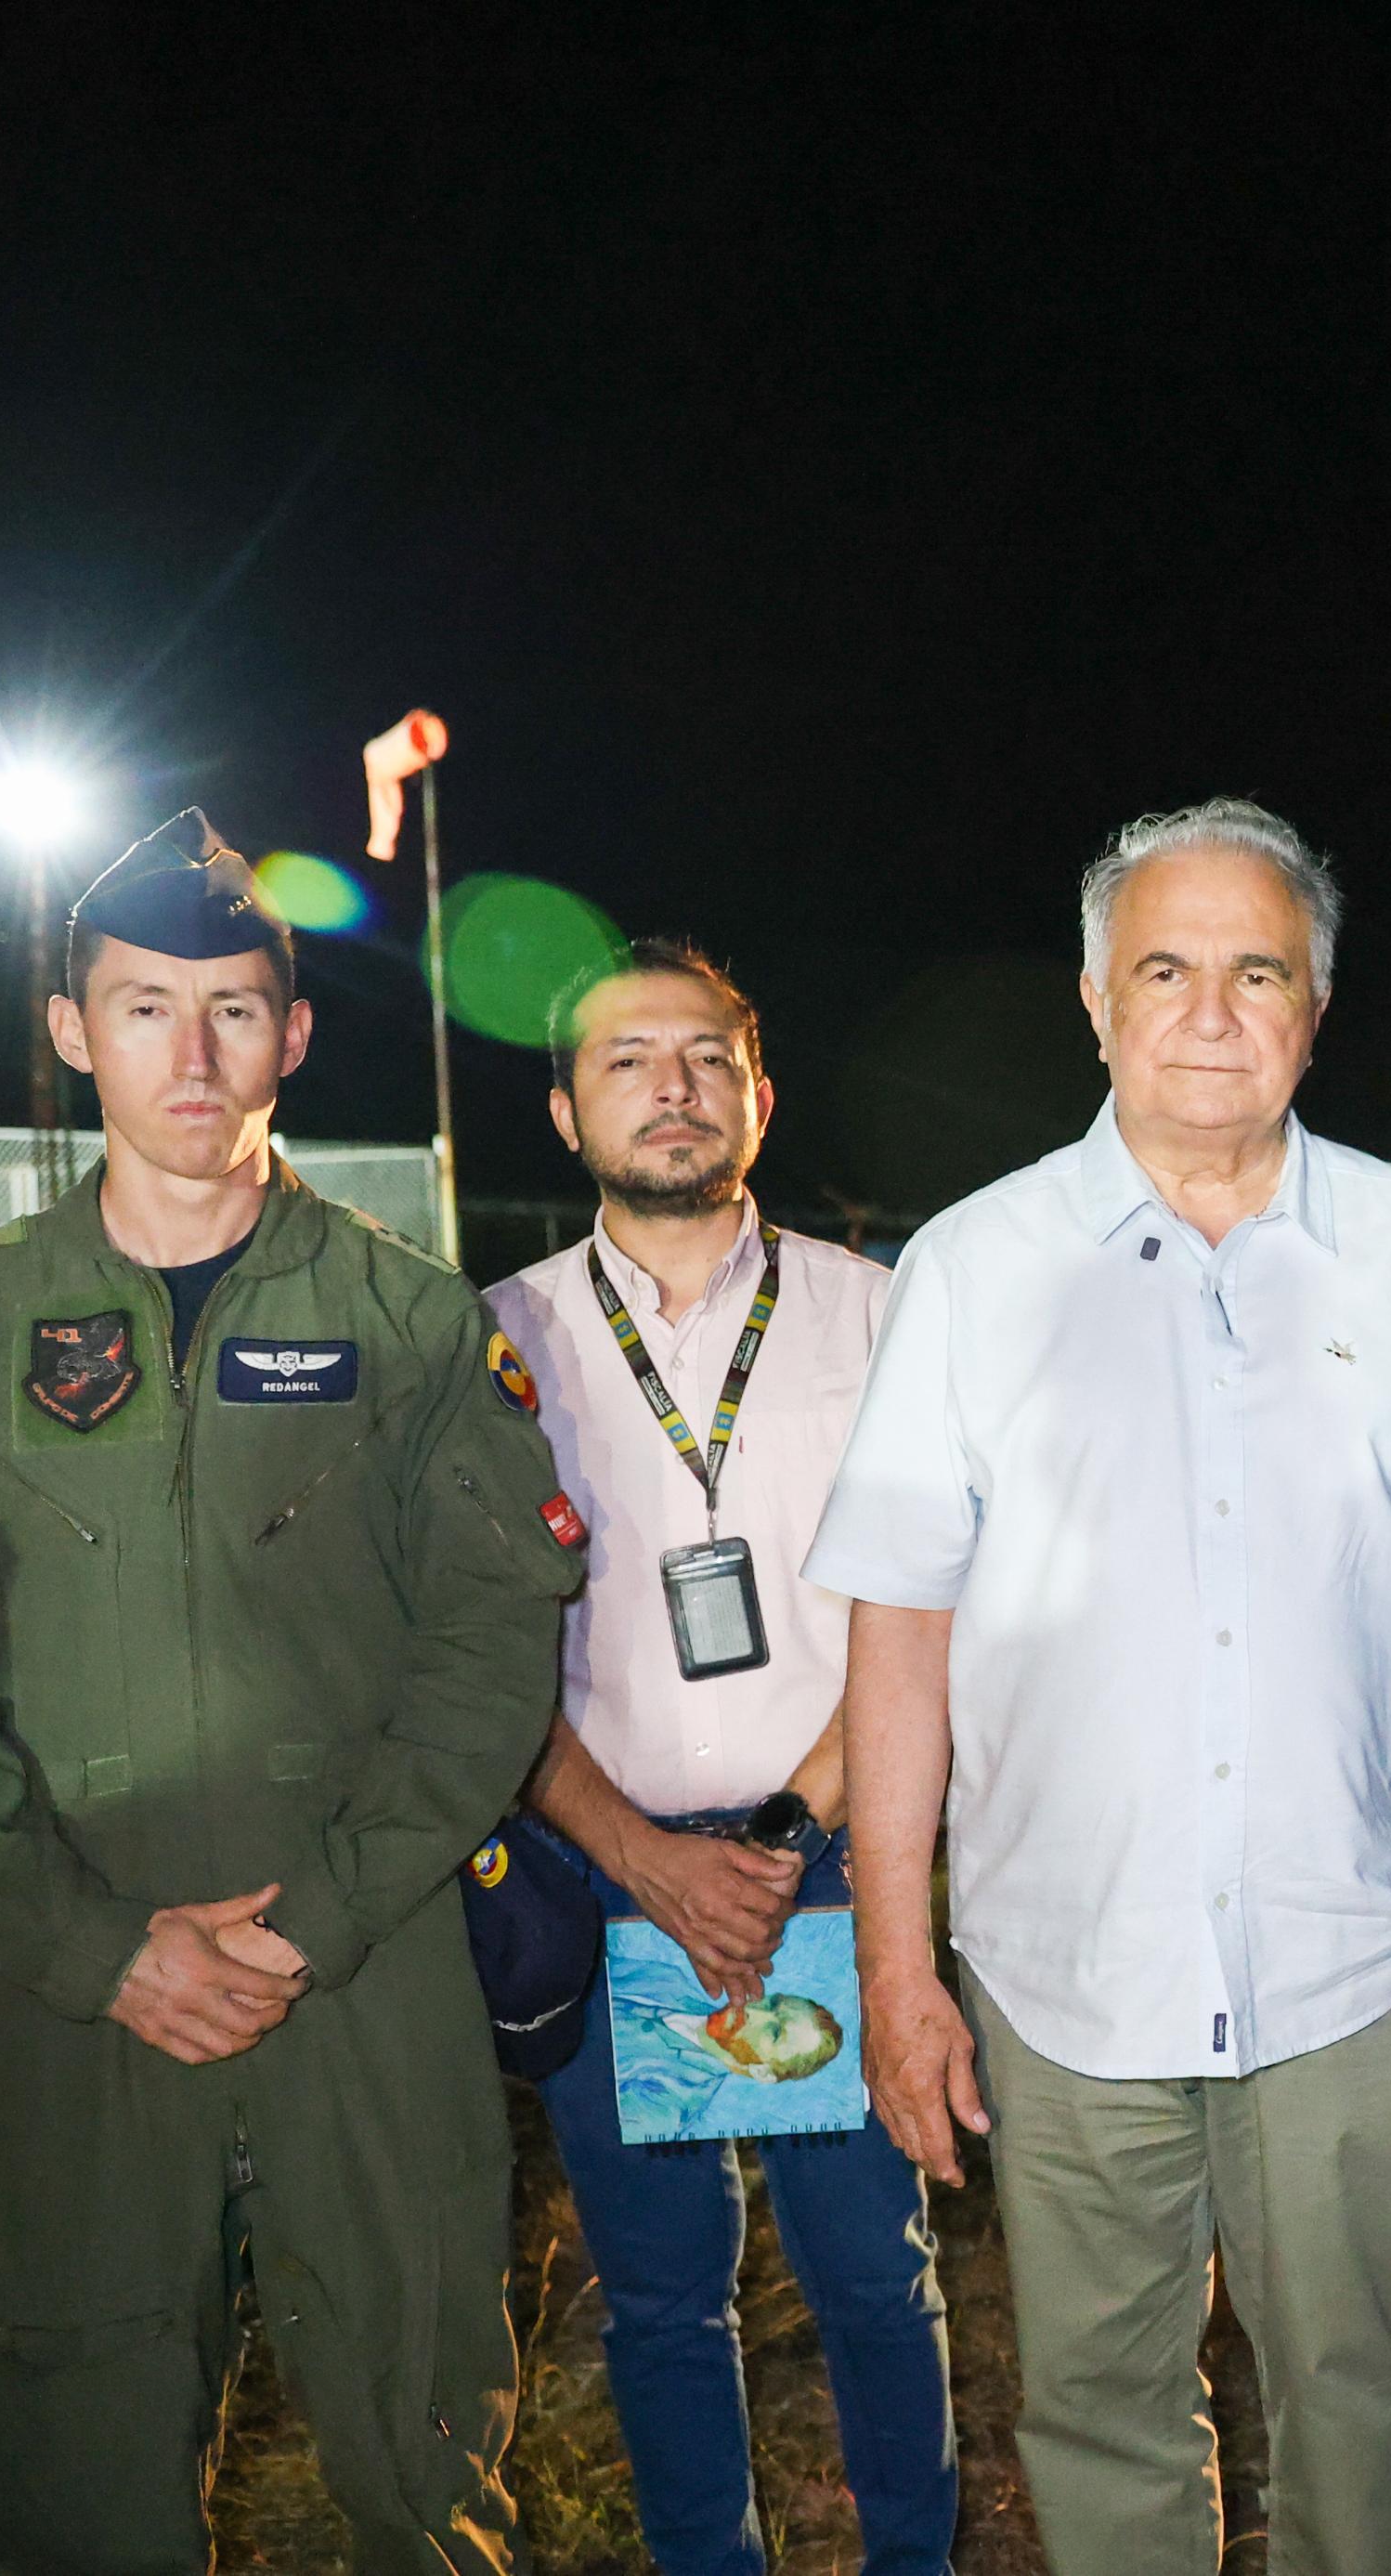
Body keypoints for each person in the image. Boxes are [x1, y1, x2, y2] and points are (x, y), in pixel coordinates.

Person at [0, 810, 585, 2574]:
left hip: (364, 1969)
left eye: (234, 1007)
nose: (192, 1049)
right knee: (85, 2461)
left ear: (292, 1038)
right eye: (144, 1005)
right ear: (73, 1029)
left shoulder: (406, 1322)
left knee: (424, 2450)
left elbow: (491, 1646)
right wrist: (91, 1944)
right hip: (76, 1983)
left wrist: (313, 1918)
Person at [811, 799, 1391, 2576]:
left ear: (1318, 1001)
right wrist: (896, 1963)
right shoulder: (973, 1268)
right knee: (1098, 2406)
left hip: (1352, 1944)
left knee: (1360, 2387)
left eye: (1256, 970)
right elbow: (897, 1628)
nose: (1211, 1009)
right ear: (1093, 996)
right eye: (1166, 968)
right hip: (1063, 1969)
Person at [484, 940, 956, 2576]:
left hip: (825, 1860)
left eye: (704, 1056)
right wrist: (640, 1848)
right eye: (626, 1059)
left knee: (873, 2274)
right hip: (602, 1874)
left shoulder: (883, 1313)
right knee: (664, 2293)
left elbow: (929, 1604)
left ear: (761, 1091)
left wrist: (781, 1826)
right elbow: (471, 1658)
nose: (670, 1086)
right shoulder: (493, 1345)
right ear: (564, 1107)